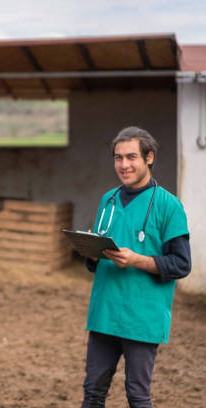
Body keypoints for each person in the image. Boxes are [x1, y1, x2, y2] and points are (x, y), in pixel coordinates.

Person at [81, 126, 191, 407]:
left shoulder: (169, 206)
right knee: (93, 392)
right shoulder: (108, 200)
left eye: (131, 157)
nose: (124, 165)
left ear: (149, 158)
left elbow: (181, 264)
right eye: (118, 158)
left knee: (138, 396)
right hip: (104, 311)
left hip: (142, 317)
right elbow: (97, 258)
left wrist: (138, 260)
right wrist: (91, 254)